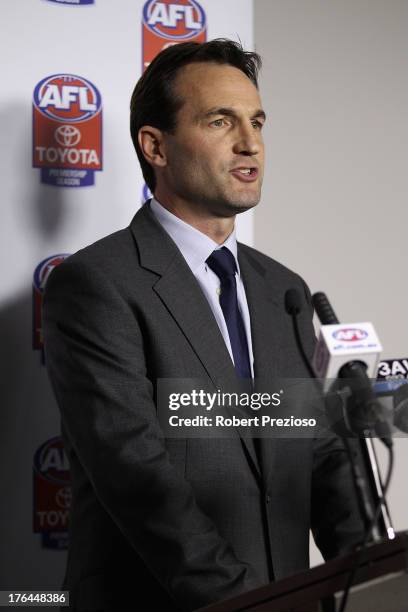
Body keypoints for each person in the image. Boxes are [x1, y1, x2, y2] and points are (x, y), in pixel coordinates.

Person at [43, 39, 363, 612]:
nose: (250, 144)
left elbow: (317, 453)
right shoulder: (96, 284)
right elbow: (138, 477)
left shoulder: (281, 289)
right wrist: (247, 604)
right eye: (221, 121)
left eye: (257, 122)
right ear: (155, 146)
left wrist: (370, 576)